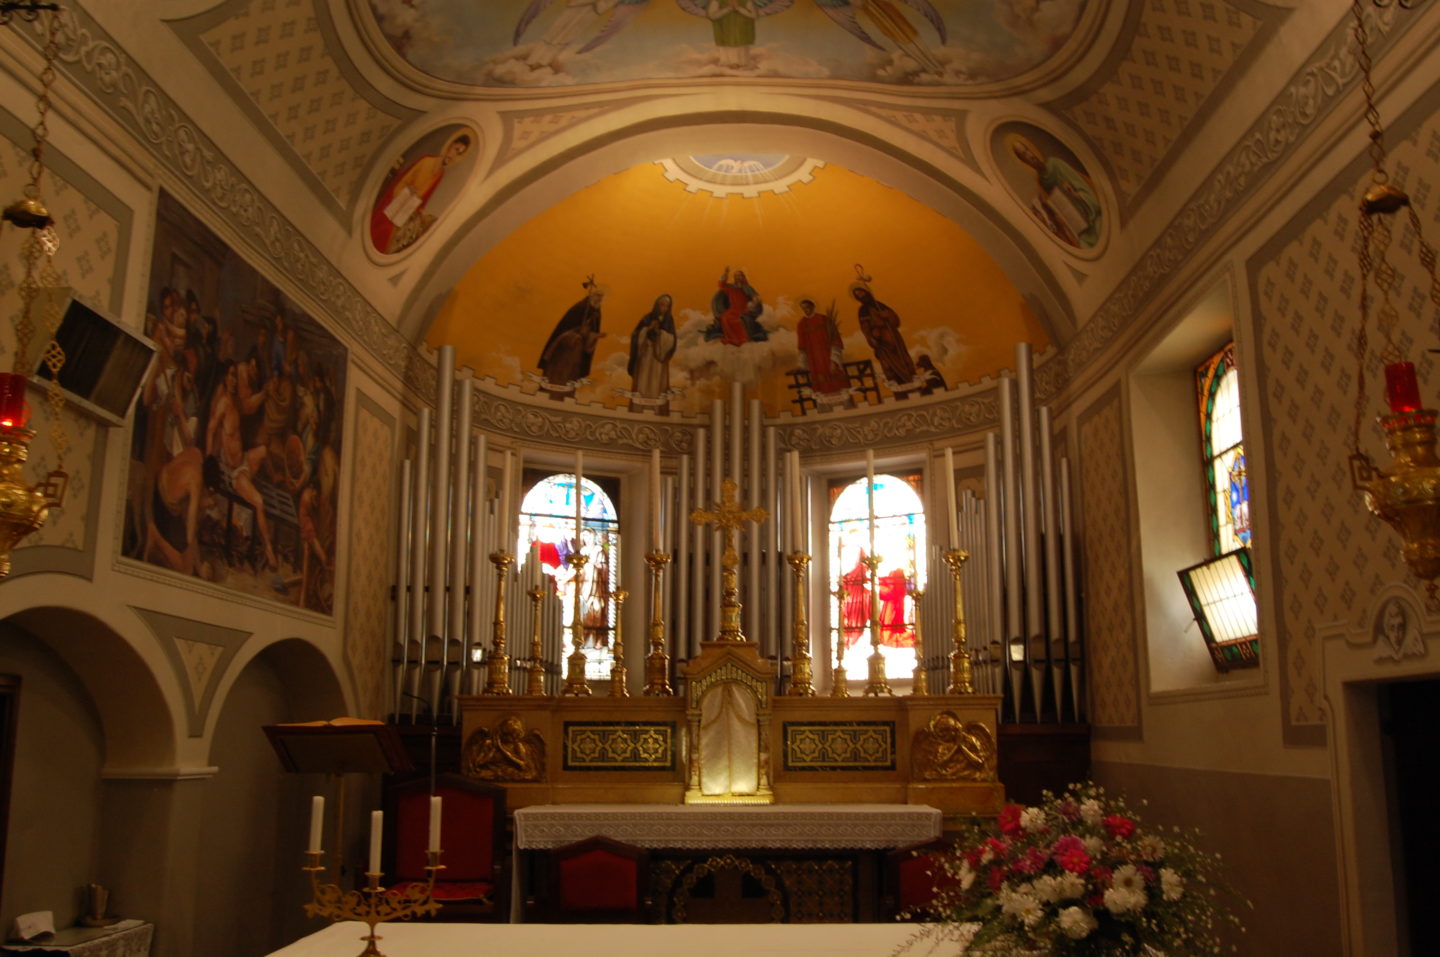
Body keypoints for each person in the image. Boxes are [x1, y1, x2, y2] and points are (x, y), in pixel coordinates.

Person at [369, 130, 473, 255]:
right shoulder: (427, 161)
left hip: (408, 209)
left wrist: (420, 211)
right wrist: (408, 191)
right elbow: (403, 181)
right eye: (456, 149)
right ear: (450, 145)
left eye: (459, 153)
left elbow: (425, 198)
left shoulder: (440, 173)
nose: (454, 155)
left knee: (395, 237)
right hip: (396, 202)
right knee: (380, 231)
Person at [1006, 132, 1103, 250]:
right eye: (1023, 155)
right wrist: (1059, 217)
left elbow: (1082, 185)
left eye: (1027, 151)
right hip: (1077, 226)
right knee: (1084, 244)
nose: (1029, 156)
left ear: (1032, 150)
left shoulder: (1056, 164)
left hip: (1090, 212)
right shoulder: (1041, 182)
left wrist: (1075, 194)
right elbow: (1054, 207)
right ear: (1023, 161)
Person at [538, 279, 606, 388]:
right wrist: (580, 332)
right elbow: (566, 327)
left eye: (602, 296)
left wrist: (593, 336)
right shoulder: (580, 307)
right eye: (598, 295)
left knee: (572, 371)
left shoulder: (596, 312)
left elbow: (590, 331)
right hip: (566, 345)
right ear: (591, 295)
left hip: (578, 350)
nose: (600, 298)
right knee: (559, 369)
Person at [852, 282, 917, 386]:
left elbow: (896, 321)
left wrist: (887, 315)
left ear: (866, 292)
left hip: (893, 336)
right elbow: (865, 328)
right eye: (857, 295)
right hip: (881, 340)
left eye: (861, 292)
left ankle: (910, 377)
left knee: (902, 357)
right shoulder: (863, 311)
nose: (860, 295)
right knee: (887, 363)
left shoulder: (879, 305)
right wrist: (872, 338)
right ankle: (897, 381)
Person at [627, 293, 678, 412]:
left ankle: (657, 410)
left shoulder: (669, 321)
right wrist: (648, 329)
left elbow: (672, 340)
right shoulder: (647, 318)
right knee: (643, 381)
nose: (664, 308)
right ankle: (638, 408)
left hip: (659, 360)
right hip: (646, 355)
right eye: (662, 305)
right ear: (657, 305)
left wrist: (660, 333)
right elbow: (636, 335)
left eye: (667, 306)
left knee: (657, 383)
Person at [795, 298, 849, 394]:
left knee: (837, 385)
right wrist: (802, 365)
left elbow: (835, 341)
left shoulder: (824, 320)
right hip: (814, 361)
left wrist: (834, 361)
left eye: (807, 307)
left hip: (828, 357)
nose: (806, 310)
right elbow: (802, 347)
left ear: (813, 307)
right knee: (821, 388)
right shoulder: (801, 324)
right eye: (803, 308)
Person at [707, 266, 767, 344]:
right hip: (733, 309)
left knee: (738, 320)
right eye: (737, 276)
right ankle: (731, 339)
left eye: (740, 275)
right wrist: (726, 273)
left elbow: (755, 297)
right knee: (725, 317)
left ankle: (742, 339)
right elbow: (721, 285)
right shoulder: (731, 287)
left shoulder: (747, 288)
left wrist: (753, 303)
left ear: (743, 277)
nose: (738, 277)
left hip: (743, 309)